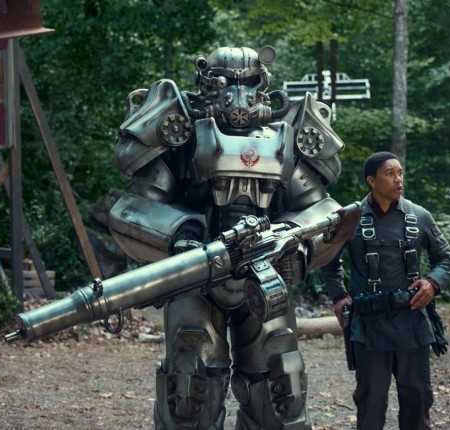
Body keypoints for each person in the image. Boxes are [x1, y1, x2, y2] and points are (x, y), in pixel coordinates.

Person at [108, 46, 357, 429]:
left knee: (279, 386)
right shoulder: (181, 131)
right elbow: (132, 209)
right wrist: (180, 235)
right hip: (195, 274)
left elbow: (325, 211)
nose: (238, 93)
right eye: (225, 81)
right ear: (206, 82)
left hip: (268, 275)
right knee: (189, 389)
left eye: (249, 81)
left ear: (264, 83)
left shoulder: (286, 134)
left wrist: (298, 243)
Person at [320, 151, 450, 430]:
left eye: (400, 173)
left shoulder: (419, 216)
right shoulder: (349, 218)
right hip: (368, 325)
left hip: (412, 320)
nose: (399, 180)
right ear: (372, 181)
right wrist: (339, 296)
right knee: (371, 402)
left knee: (417, 398)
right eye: (390, 174)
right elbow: (329, 262)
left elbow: (446, 258)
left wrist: (432, 283)